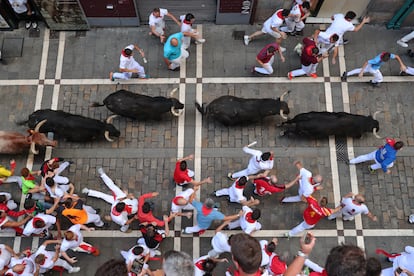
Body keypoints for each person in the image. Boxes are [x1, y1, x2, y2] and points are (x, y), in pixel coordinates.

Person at [82, 167, 138, 232]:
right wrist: (134, 218)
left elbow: (120, 200)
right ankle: (123, 229)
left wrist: (126, 196)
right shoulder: (119, 218)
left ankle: (91, 189)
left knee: (108, 192)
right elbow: (126, 222)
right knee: (125, 225)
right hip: (121, 212)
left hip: (119, 200)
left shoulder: (116, 204)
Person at [341, 52, 406, 87]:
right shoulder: (376, 60)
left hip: (371, 66)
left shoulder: (388, 54)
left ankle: (347, 74)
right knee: (380, 78)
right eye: (383, 60)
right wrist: (361, 72)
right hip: (373, 69)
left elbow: (397, 56)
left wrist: (402, 64)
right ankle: (373, 82)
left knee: (359, 70)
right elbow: (367, 62)